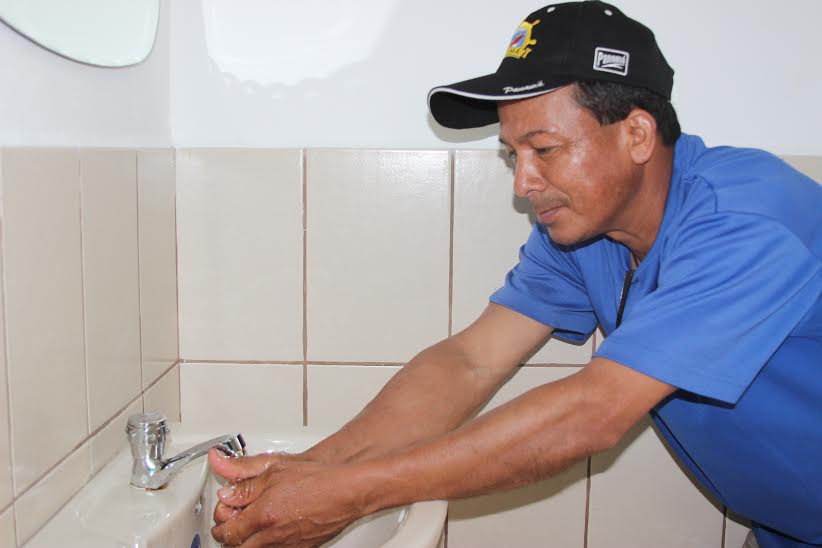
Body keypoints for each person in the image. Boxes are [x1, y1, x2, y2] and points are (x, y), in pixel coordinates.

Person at [208, 2, 822, 547]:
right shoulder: (585, 232)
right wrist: (314, 472)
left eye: (545, 149)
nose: (524, 183)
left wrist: (351, 494)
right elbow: (469, 362)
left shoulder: (746, 220)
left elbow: (593, 412)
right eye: (513, 155)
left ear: (637, 133)